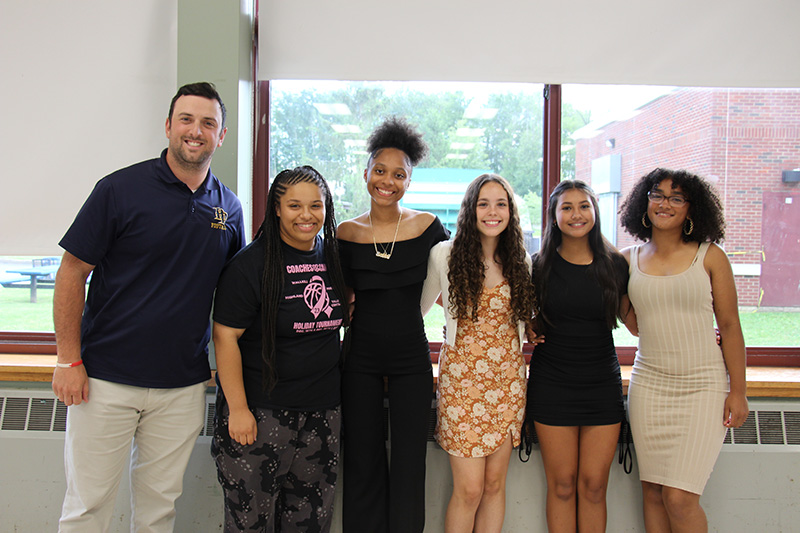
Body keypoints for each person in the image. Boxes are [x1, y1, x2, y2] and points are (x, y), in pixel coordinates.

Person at [52, 82, 245, 532]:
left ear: (222, 135)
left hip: (181, 388)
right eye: (186, 120)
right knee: (87, 508)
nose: (195, 131)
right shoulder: (119, 190)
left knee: (159, 512)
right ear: (168, 127)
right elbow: (72, 271)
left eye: (208, 123)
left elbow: (238, 298)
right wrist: (68, 359)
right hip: (102, 381)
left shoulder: (229, 209)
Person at [211, 166, 348, 532]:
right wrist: (237, 409)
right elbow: (225, 337)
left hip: (322, 416)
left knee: (309, 523)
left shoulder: (334, 259)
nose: (306, 215)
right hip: (261, 415)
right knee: (249, 523)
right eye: (294, 206)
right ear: (276, 208)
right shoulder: (250, 266)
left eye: (315, 206)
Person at [619, 168, 749, 532]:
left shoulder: (710, 257)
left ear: (692, 209)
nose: (665, 203)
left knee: (679, 497)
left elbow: (731, 326)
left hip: (703, 386)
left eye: (676, 197)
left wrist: (738, 391)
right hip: (650, 385)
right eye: (657, 195)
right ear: (644, 204)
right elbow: (632, 321)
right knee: (653, 491)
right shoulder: (627, 259)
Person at [337, 116, 449, 533]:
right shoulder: (346, 233)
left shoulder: (427, 228)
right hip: (359, 358)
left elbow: (464, 273)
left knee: (408, 462)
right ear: (365, 174)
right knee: (362, 459)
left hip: (410, 359)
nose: (387, 181)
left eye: (398, 174)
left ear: (409, 181)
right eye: (379, 171)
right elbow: (334, 297)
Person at [421, 173, 535, 533]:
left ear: (511, 212)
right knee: (469, 490)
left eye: (501, 204)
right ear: (470, 210)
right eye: (483, 203)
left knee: (494, 486)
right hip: (462, 385)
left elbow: (526, 321)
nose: (492, 211)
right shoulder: (444, 255)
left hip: (508, 383)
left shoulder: (521, 260)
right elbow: (415, 311)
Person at [526, 180, 633, 532]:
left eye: (584, 206)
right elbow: (517, 315)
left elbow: (637, 321)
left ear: (595, 212)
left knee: (593, 486)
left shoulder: (616, 264)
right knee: (562, 484)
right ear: (554, 216)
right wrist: (527, 326)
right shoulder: (538, 265)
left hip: (601, 384)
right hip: (552, 383)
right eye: (567, 207)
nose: (576, 214)